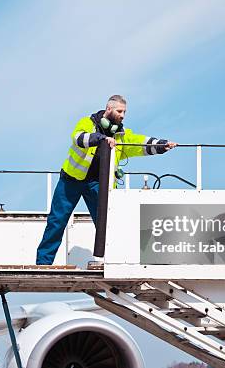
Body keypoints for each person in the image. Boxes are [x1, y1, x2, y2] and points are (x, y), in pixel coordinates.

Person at [35, 95, 177, 265]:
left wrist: (162, 145)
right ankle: (43, 263)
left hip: (97, 185)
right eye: (119, 111)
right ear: (109, 109)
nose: (123, 115)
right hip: (70, 181)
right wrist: (102, 139)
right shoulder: (87, 123)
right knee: (57, 221)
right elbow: (79, 138)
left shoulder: (121, 135)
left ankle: (114, 262)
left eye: (125, 112)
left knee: (108, 224)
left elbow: (139, 143)